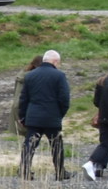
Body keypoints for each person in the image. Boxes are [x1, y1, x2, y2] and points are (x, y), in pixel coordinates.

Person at [18, 50, 71, 181]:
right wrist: (60, 114)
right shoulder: (59, 76)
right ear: (55, 61)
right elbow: (64, 99)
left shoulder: (30, 76)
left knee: (29, 145)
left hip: (33, 117)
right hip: (52, 117)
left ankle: (24, 170)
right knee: (56, 145)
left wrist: (22, 116)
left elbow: (23, 98)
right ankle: (60, 172)